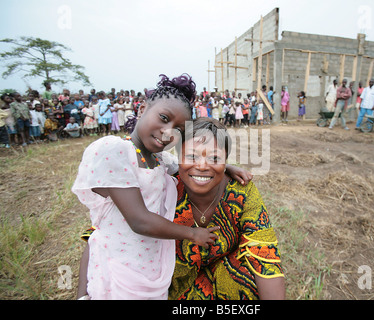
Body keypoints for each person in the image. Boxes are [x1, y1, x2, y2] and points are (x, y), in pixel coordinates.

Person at [72, 74, 221, 300]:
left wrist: (226, 167)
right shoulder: (115, 150)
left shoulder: (159, 159)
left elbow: (190, 166)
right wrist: (193, 234)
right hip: (118, 269)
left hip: (148, 268)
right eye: (163, 118)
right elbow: (139, 220)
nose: (168, 131)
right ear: (142, 109)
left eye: (179, 129)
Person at [169, 118, 285, 300]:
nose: (201, 166)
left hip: (225, 277)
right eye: (192, 156)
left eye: (214, 158)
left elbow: (264, 254)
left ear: (225, 161)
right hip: (171, 285)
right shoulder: (165, 188)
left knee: (248, 275)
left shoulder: (241, 192)